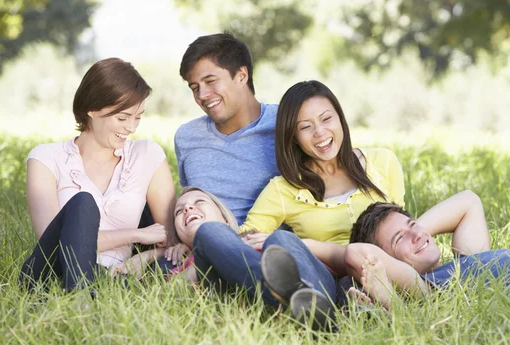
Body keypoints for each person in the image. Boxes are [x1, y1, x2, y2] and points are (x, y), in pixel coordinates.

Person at [20, 58, 176, 292]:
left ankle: (88, 299)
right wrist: (136, 235)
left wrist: (143, 257)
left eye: (138, 117)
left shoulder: (147, 155)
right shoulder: (45, 159)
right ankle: (80, 300)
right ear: (92, 110)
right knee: (83, 203)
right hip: (53, 272)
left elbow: (169, 238)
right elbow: (55, 244)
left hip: (114, 276)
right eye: (122, 118)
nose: (132, 127)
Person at [344, 190, 510, 308]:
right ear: (389, 262)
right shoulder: (426, 283)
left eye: (413, 224)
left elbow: (468, 201)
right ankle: (395, 307)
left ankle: (394, 307)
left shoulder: (467, 264)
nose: (416, 234)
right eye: (400, 239)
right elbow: (356, 253)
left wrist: (417, 234)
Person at [240, 80, 405, 246]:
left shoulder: (383, 161)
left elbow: (405, 227)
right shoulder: (283, 189)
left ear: (340, 117)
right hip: (324, 270)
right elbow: (246, 238)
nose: (320, 132)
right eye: (305, 127)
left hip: (387, 266)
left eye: (326, 118)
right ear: (294, 138)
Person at [166, 187, 337, 329]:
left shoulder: (260, 236)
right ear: (179, 234)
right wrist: (231, 253)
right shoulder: (186, 262)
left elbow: (320, 267)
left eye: (199, 202)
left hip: (317, 285)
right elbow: (169, 292)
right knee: (208, 232)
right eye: (179, 211)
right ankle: (298, 301)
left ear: (225, 218)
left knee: (282, 237)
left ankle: (309, 301)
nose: (188, 209)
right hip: (246, 296)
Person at [175, 33, 279, 226]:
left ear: (241, 76)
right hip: (205, 246)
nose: (202, 95)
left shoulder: (285, 124)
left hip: (269, 246)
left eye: (210, 81)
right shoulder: (187, 137)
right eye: (194, 87)